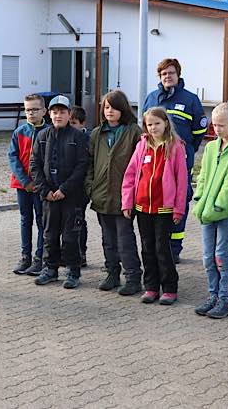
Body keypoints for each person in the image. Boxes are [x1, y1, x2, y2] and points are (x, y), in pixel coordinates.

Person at [142, 58, 207, 263]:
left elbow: (199, 131)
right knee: (158, 200)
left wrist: (187, 149)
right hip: (154, 163)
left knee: (180, 201)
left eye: (171, 73)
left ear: (178, 74)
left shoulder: (190, 100)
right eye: (163, 74)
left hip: (180, 161)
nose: (167, 77)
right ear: (159, 77)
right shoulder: (152, 98)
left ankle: (174, 247)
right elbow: (145, 129)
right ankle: (158, 245)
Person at [121, 107, 187, 305]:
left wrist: (179, 208)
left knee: (162, 248)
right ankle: (151, 286)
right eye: (149, 124)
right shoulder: (142, 145)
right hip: (142, 207)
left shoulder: (175, 146)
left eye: (157, 123)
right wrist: (127, 201)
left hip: (164, 208)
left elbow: (182, 180)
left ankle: (169, 288)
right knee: (147, 248)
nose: (153, 127)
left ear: (166, 123)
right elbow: (131, 174)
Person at [192, 102, 228, 319]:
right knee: (207, 257)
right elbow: (203, 176)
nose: (217, 130)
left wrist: (217, 206)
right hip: (206, 211)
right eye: (214, 125)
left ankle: (226, 299)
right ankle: (213, 295)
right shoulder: (211, 147)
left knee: (220, 256)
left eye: (222, 125)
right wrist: (199, 199)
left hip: (225, 213)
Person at [85, 91, 143, 296]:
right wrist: (90, 187)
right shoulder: (96, 133)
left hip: (124, 196)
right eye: (106, 107)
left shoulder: (134, 132)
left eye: (114, 107)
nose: (109, 111)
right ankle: (112, 273)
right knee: (107, 238)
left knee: (124, 238)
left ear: (123, 109)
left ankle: (133, 277)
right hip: (101, 194)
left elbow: (140, 166)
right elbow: (89, 163)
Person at [30, 95, 90, 289]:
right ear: (49, 114)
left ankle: (73, 271)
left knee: (71, 236)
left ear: (69, 113)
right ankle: (50, 269)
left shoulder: (78, 137)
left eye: (62, 112)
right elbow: (35, 164)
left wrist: (64, 189)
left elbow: (82, 166)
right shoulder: (42, 136)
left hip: (71, 197)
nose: (58, 115)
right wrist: (44, 190)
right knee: (49, 234)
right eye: (55, 112)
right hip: (48, 197)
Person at [8, 94, 49, 276]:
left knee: (42, 220)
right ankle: (25, 256)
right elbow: (13, 157)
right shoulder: (19, 132)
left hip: (40, 186)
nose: (31, 113)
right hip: (22, 185)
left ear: (44, 111)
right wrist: (25, 181)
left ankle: (39, 258)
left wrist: (39, 183)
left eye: (35, 109)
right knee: (26, 220)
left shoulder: (48, 132)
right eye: (27, 110)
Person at [69, 105, 90, 266]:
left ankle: (81, 252)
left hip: (81, 187)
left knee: (78, 220)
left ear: (82, 124)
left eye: (74, 123)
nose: (71, 126)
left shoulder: (87, 139)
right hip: (67, 187)